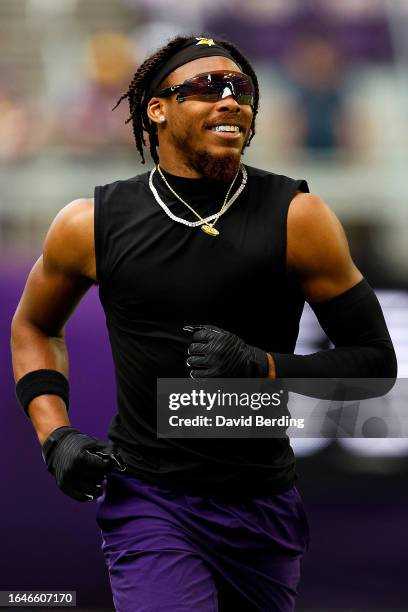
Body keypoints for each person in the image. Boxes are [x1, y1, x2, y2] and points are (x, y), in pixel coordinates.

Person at [11, 35, 397, 612]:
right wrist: (55, 435)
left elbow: (375, 366)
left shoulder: (299, 217)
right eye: (205, 87)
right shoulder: (91, 224)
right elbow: (34, 328)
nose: (229, 100)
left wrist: (263, 367)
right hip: (150, 499)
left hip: (263, 504)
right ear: (157, 109)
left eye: (241, 89)